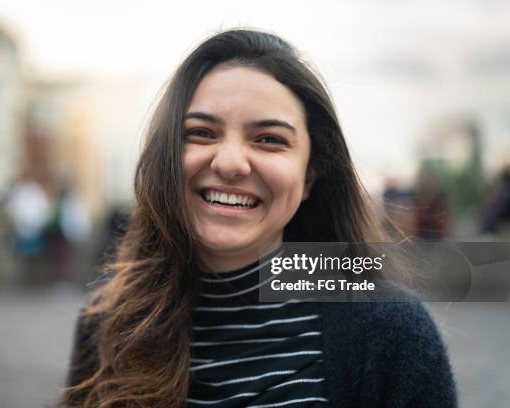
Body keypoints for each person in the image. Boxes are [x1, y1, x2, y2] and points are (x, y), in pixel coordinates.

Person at [62, 29, 457, 407]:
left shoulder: (390, 329)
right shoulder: (107, 323)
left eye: (269, 139)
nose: (230, 162)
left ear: (309, 177)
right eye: (200, 132)